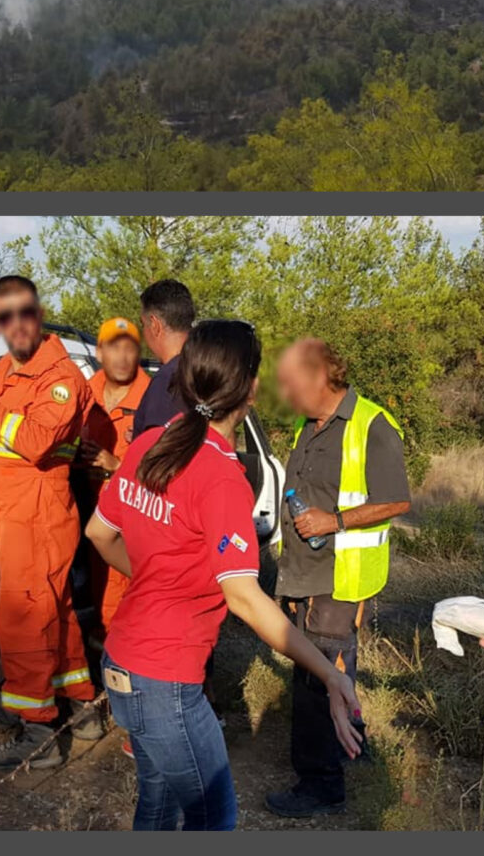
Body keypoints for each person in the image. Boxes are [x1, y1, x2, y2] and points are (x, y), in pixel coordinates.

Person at [88, 320, 363, 830]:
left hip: (122, 662)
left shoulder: (149, 443)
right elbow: (244, 597)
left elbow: (99, 534)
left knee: (157, 804)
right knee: (214, 820)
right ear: (251, 387)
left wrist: (156, 574)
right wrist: (328, 674)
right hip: (165, 682)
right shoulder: (221, 476)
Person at [0, 276, 107, 769]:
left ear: (38, 311)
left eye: (24, 311)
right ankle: (82, 707)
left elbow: (32, 439)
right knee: (57, 614)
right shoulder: (9, 372)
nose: (17, 323)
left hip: (38, 516)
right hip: (20, 514)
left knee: (24, 621)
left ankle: (39, 734)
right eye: (5, 316)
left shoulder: (61, 378)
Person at [266, 337, 411, 817]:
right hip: (307, 572)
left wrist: (336, 520)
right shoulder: (311, 424)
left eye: (291, 382)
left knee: (315, 678)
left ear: (318, 377)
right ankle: (352, 745)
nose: (286, 393)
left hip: (340, 575)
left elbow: (397, 501)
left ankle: (319, 784)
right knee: (338, 668)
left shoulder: (371, 424)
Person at [85, 317, 150, 637]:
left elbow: (168, 464)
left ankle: (122, 679)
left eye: (130, 349)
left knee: (123, 601)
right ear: (99, 352)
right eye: (114, 348)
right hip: (86, 515)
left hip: (133, 522)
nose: (123, 357)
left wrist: (117, 466)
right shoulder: (84, 393)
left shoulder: (153, 398)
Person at [131, 279, 195, 436]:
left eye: (143, 325)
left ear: (154, 325)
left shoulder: (167, 380)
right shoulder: (208, 367)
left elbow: (160, 453)